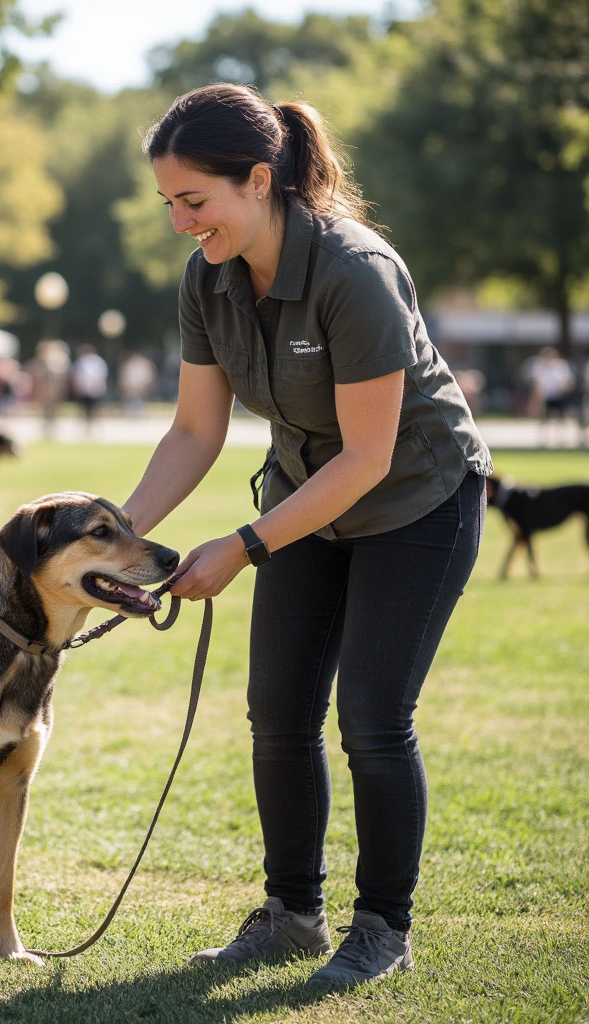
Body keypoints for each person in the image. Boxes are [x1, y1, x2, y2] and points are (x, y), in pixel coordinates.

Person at [122, 84, 493, 989]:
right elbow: (194, 432)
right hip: (305, 496)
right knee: (279, 715)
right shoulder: (207, 276)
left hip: (417, 500)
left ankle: (383, 929)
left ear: (259, 179)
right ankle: (292, 917)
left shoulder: (355, 270)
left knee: (372, 717)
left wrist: (243, 546)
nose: (180, 222)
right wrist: (113, 542)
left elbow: (367, 459)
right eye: (169, 202)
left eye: (194, 201)